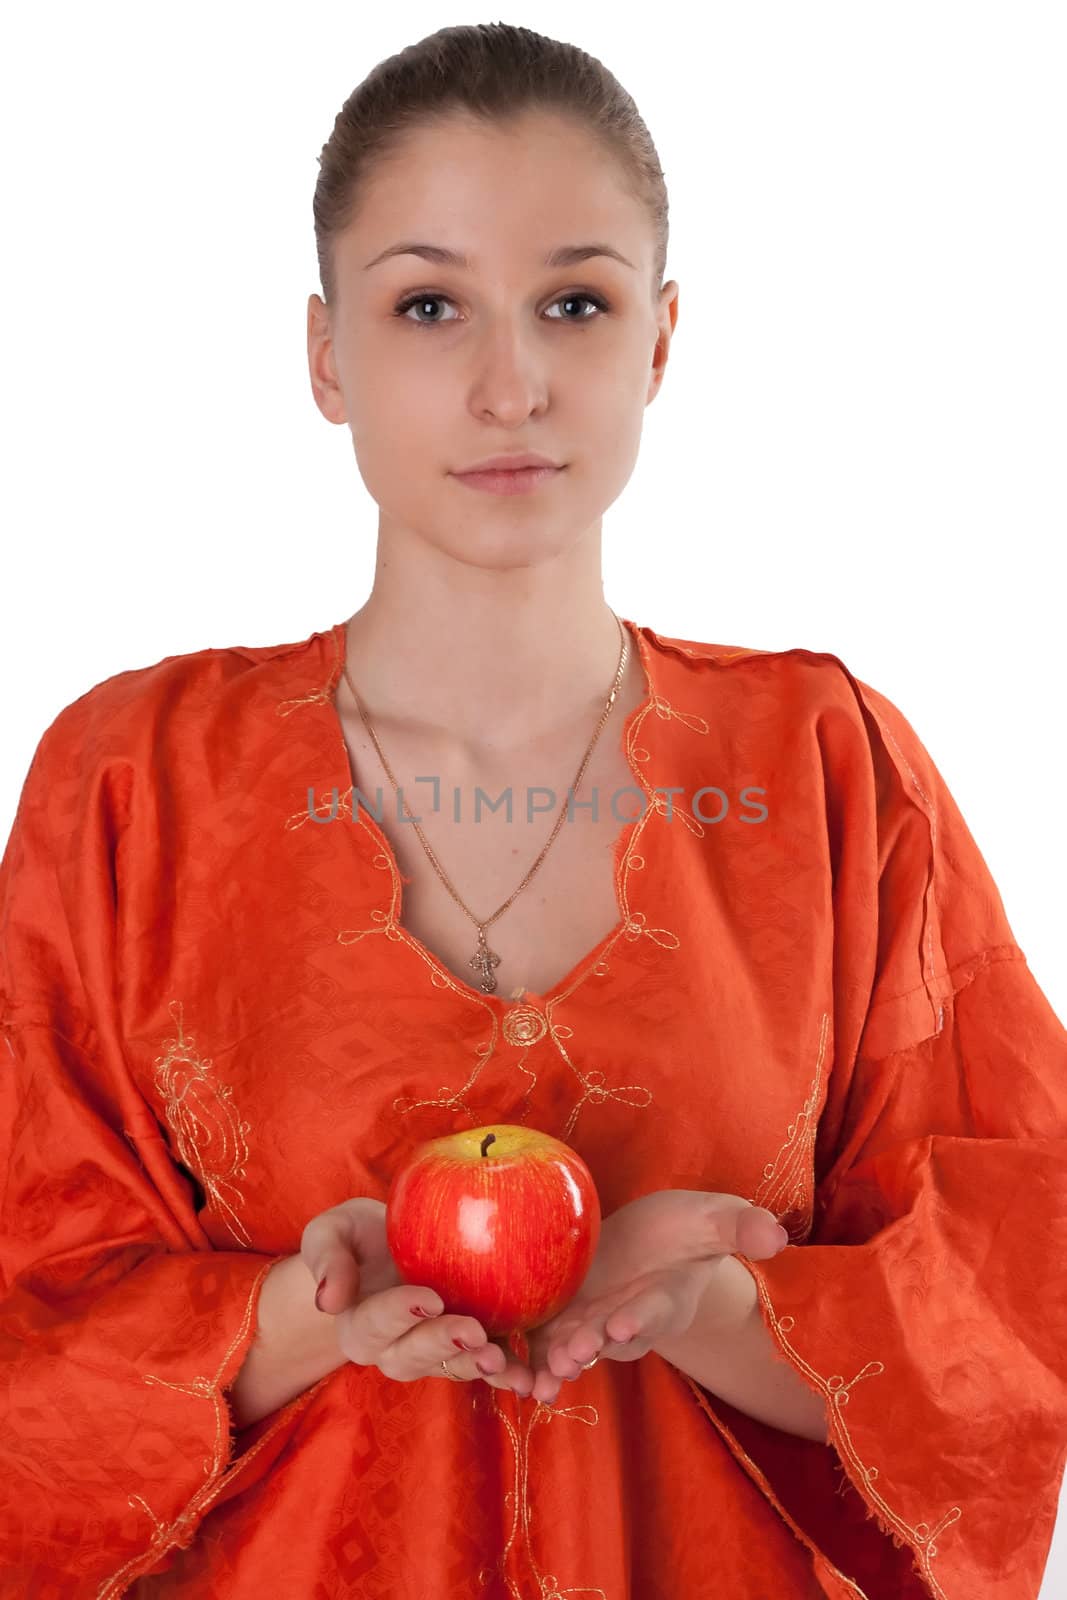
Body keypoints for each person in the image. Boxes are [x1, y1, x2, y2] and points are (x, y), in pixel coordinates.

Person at [1, 21, 1065, 1600]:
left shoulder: (830, 763)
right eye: (430, 305)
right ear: (324, 356)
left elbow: (1023, 1285)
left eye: (576, 301)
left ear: (660, 342)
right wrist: (296, 1320)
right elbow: (23, 1325)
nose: (511, 385)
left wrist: (716, 1314)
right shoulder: (134, 783)